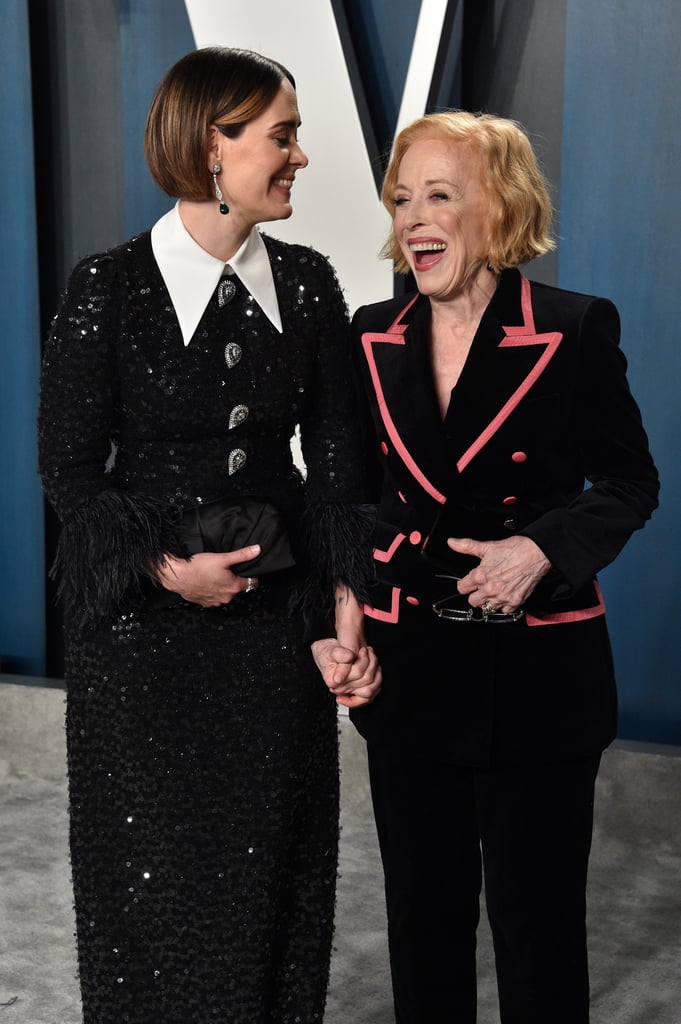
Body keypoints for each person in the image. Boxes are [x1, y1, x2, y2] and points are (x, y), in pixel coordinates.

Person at [38, 46, 380, 1024]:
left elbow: (342, 474)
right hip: (142, 656)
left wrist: (345, 609)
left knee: (277, 876)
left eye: (298, 135)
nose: (300, 158)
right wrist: (162, 567)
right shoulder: (106, 288)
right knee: (149, 896)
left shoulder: (312, 287)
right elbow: (67, 471)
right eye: (282, 136)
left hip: (274, 642)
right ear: (210, 144)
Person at [347, 110, 659, 1024]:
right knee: (423, 921)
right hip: (410, 674)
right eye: (402, 198)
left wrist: (541, 548)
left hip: (539, 675)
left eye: (439, 194)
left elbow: (630, 481)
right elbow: (354, 501)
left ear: (502, 206)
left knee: (537, 925)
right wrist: (357, 614)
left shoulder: (571, 329)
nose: (413, 217)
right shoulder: (367, 336)